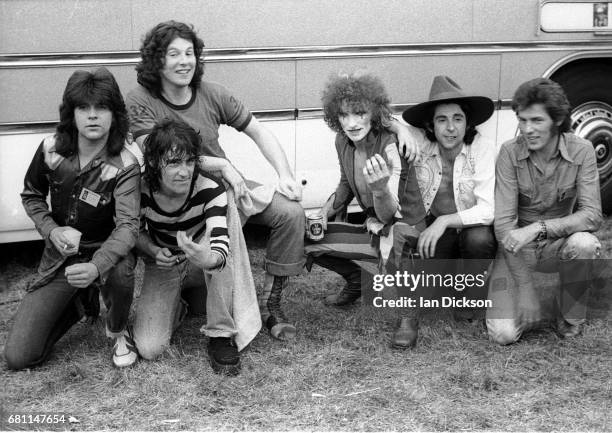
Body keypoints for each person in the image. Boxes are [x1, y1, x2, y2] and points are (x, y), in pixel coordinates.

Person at [125, 20, 304, 340]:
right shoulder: (139, 98)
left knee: (289, 212)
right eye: (173, 54)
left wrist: (285, 175)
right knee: (163, 327)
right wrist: (221, 164)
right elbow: (156, 152)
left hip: (224, 190)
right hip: (179, 196)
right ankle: (191, 293)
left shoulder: (212, 92)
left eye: (190, 53)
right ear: (157, 61)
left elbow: (258, 131)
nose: (184, 61)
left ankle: (271, 305)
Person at [4, 67, 141, 369]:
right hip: (61, 256)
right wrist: (52, 231)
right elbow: (32, 195)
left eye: (101, 107)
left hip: (106, 254)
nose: (93, 115)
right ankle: (82, 302)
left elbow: (129, 226)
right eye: (84, 107)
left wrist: (96, 266)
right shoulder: (51, 150)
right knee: (19, 357)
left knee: (121, 272)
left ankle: (118, 330)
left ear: (115, 113)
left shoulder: (127, 163)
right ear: (71, 113)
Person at [305, 71, 426, 348]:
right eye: (344, 115)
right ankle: (356, 281)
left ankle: (409, 314)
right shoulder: (341, 141)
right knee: (307, 237)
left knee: (398, 236)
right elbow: (346, 184)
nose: (351, 122)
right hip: (373, 226)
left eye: (359, 113)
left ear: (373, 113)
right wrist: (324, 212)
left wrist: (380, 189)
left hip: (403, 227)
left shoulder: (391, 144)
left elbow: (390, 215)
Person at [132, 119, 260, 375]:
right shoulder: (139, 188)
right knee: (149, 349)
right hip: (164, 264)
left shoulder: (210, 188)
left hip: (200, 264)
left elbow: (220, 238)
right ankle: (181, 305)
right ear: (156, 162)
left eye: (190, 161)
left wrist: (208, 258)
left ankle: (221, 335)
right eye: (174, 162)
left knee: (220, 257)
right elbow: (131, 230)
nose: (185, 171)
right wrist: (153, 250)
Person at [487, 78, 602, 345]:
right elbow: (504, 228)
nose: (527, 129)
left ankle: (569, 315)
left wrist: (539, 229)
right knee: (502, 335)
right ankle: (524, 295)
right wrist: (526, 290)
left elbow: (592, 215)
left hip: (557, 246)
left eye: (536, 120)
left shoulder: (582, 150)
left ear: (558, 119)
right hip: (516, 249)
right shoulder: (509, 153)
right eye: (522, 120)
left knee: (584, 244)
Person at [401, 75, 498, 323]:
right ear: (431, 126)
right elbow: (383, 120)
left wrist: (443, 221)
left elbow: (487, 211)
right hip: (438, 230)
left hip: (472, 228)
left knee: (478, 240)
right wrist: (399, 129)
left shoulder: (483, 148)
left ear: (468, 123)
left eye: (458, 119)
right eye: (442, 120)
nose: (451, 128)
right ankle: (452, 275)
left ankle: (469, 294)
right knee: (426, 293)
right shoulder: (422, 143)